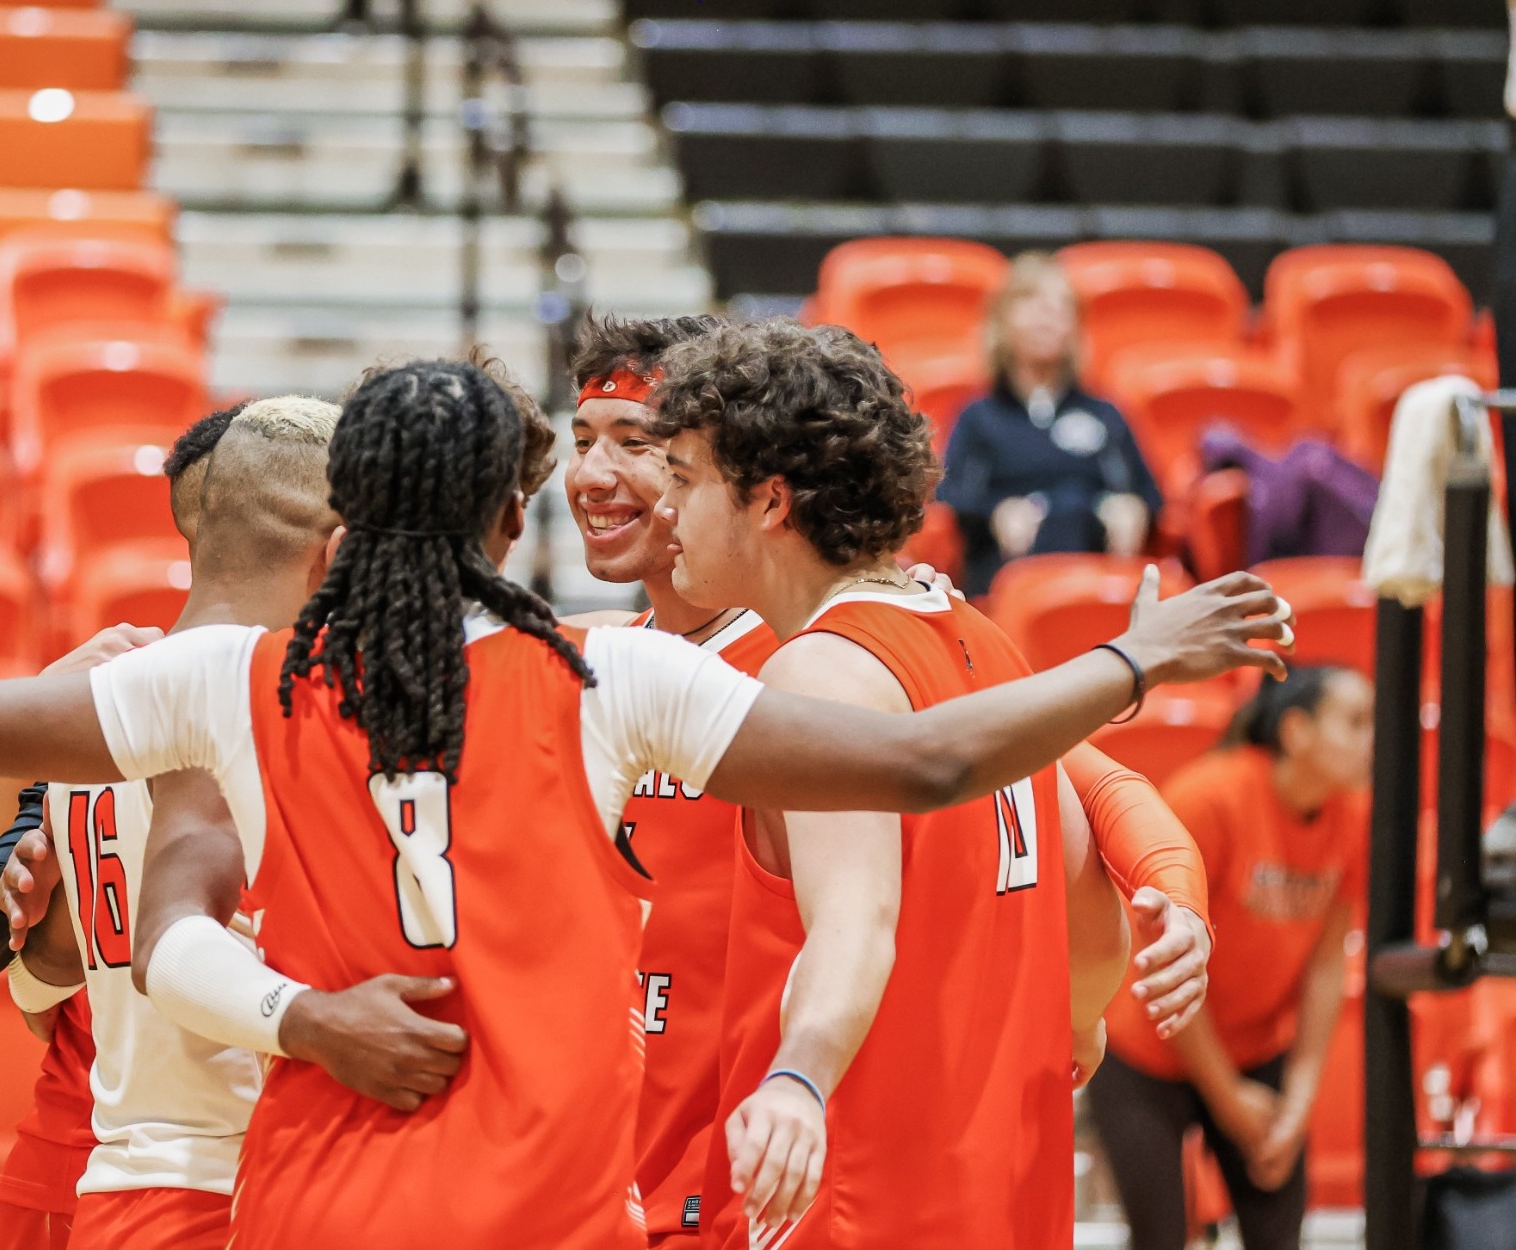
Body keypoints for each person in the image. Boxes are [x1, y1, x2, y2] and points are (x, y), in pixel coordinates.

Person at [0, 358, 1290, 1250]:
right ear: (509, 509)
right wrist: (1133, 658)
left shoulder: (226, 680)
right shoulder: (613, 677)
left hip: (311, 1201)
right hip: (547, 1212)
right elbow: (931, 763)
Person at [564, 314, 1214, 1247]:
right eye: (582, 441)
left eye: (650, 451)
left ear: (759, 489)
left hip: (792, 1162)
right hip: (669, 1161)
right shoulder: (592, 657)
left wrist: (798, 1077)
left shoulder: (825, 664)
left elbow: (1086, 796)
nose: (603, 477)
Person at [0, 406, 243, 1250]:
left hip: (103, 1159)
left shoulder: (140, 697)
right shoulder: (149, 695)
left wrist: (42, 966)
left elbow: (27, 971)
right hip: (173, 1163)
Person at [1087, 665, 1373, 1250]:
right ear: (1297, 732)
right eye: (1357, 722)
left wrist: (1297, 1103)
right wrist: (1227, 1099)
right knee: (1161, 1237)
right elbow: (1165, 962)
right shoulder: (1210, 797)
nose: (1376, 739)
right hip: (1148, 1047)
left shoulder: (1353, 816)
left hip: (1256, 1049)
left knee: (1279, 1231)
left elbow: (1325, 966)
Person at [938, 252, 1165, 596]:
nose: (1048, 315)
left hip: (1099, 574)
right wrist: (996, 512)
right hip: (1010, 579)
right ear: (1002, 319)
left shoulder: (1105, 413)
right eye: (1032, 301)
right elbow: (949, 497)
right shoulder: (978, 416)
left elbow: (1151, 495)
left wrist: (1133, 508)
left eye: (1062, 305)